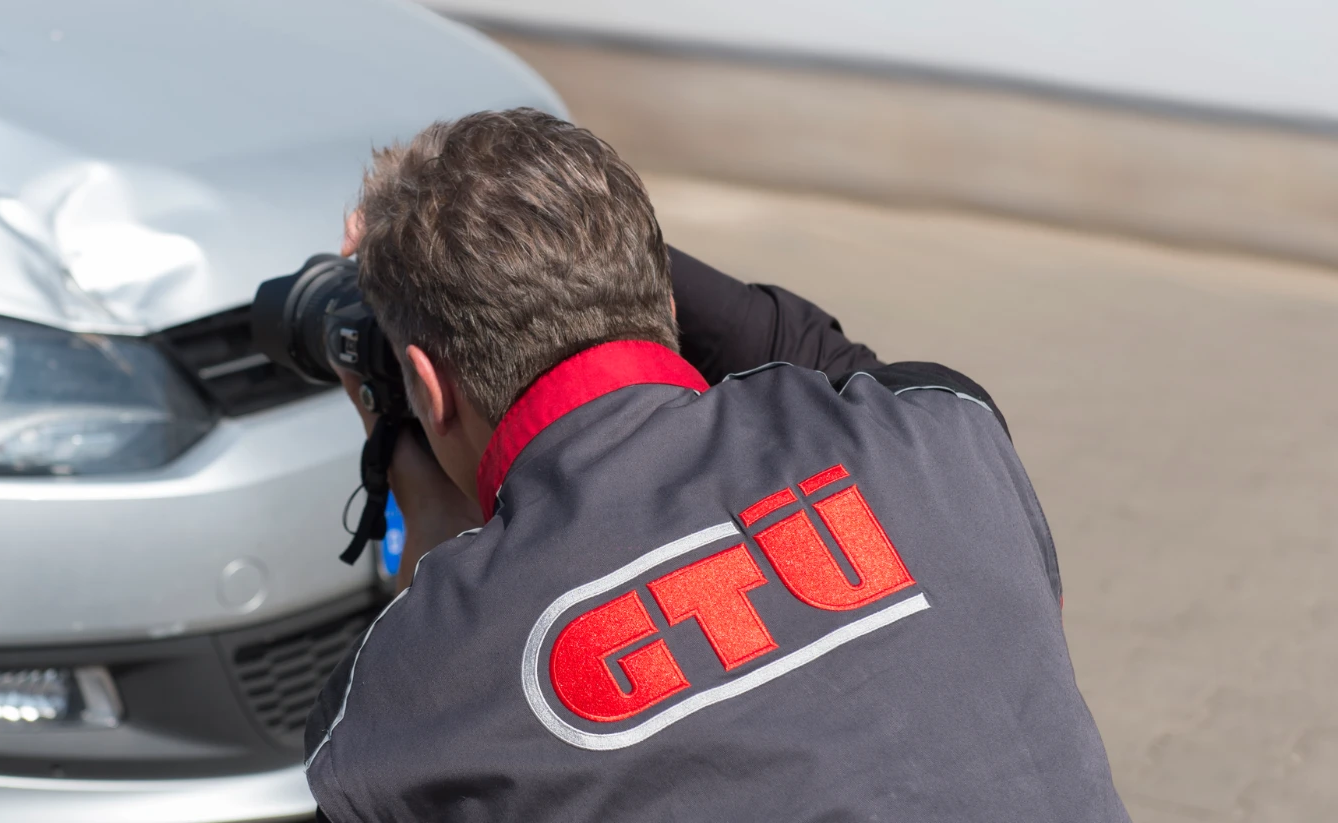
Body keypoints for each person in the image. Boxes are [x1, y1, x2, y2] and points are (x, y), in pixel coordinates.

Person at [304, 108, 1127, 821]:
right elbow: (817, 349)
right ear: (664, 302)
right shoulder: (944, 436)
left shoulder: (405, 694)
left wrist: (437, 554)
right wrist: (581, 251)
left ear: (429, 386)